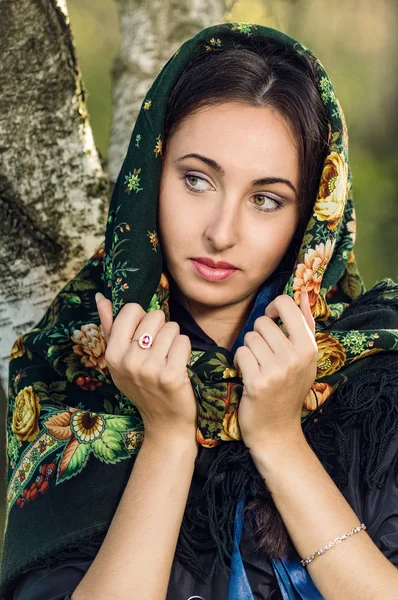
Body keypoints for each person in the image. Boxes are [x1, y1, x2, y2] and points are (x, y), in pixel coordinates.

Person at [1, 21, 397, 600]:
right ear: (150, 176)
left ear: (312, 217)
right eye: (196, 180)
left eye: (265, 199)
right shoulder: (69, 369)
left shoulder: (377, 377)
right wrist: (167, 437)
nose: (220, 232)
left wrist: (282, 440)